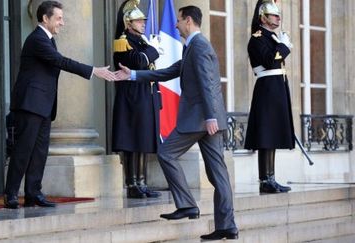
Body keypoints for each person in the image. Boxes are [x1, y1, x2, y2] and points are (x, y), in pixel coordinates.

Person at [114, 5, 238, 241]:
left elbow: (208, 82)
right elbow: (171, 71)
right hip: (207, 119)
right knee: (218, 175)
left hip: (200, 120)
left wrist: (210, 116)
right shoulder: (193, 46)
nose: (176, 24)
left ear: (189, 21)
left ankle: (187, 205)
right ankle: (227, 226)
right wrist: (132, 75)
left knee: (166, 153)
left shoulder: (198, 46)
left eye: (179, 21)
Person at [4, 0, 115, 209]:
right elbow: (61, 61)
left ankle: (33, 193)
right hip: (30, 105)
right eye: (59, 18)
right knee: (23, 151)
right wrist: (93, 70)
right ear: (45, 19)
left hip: (43, 105)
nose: (62, 23)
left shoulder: (47, 39)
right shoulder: (37, 39)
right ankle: (10, 194)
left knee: (39, 152)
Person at [112, 0, 161, 198]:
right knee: (132, 140)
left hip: (145, 93)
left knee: (143, 138)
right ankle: (132, 183)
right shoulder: (123, 41)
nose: (143, 23)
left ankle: (142, 181)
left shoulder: (141, 42)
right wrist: (154, 51)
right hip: (132, 95)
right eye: (138, 21)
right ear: (128, 23)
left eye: (143, 20)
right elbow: (139, 62)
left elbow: (144, 61)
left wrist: (149, 52)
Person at [245, 0, 294, 194]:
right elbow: (269, 61)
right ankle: (265, 179)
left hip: (276, 89)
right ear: (263, 18)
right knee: (266, 135)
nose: (278, 18)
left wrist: (280, 46)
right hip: (267, 89)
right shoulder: (257, 39)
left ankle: (271, 177)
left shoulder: (272, 38)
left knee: (272, 134)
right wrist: (284, 47)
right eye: (274, 15)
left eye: (278, 15)